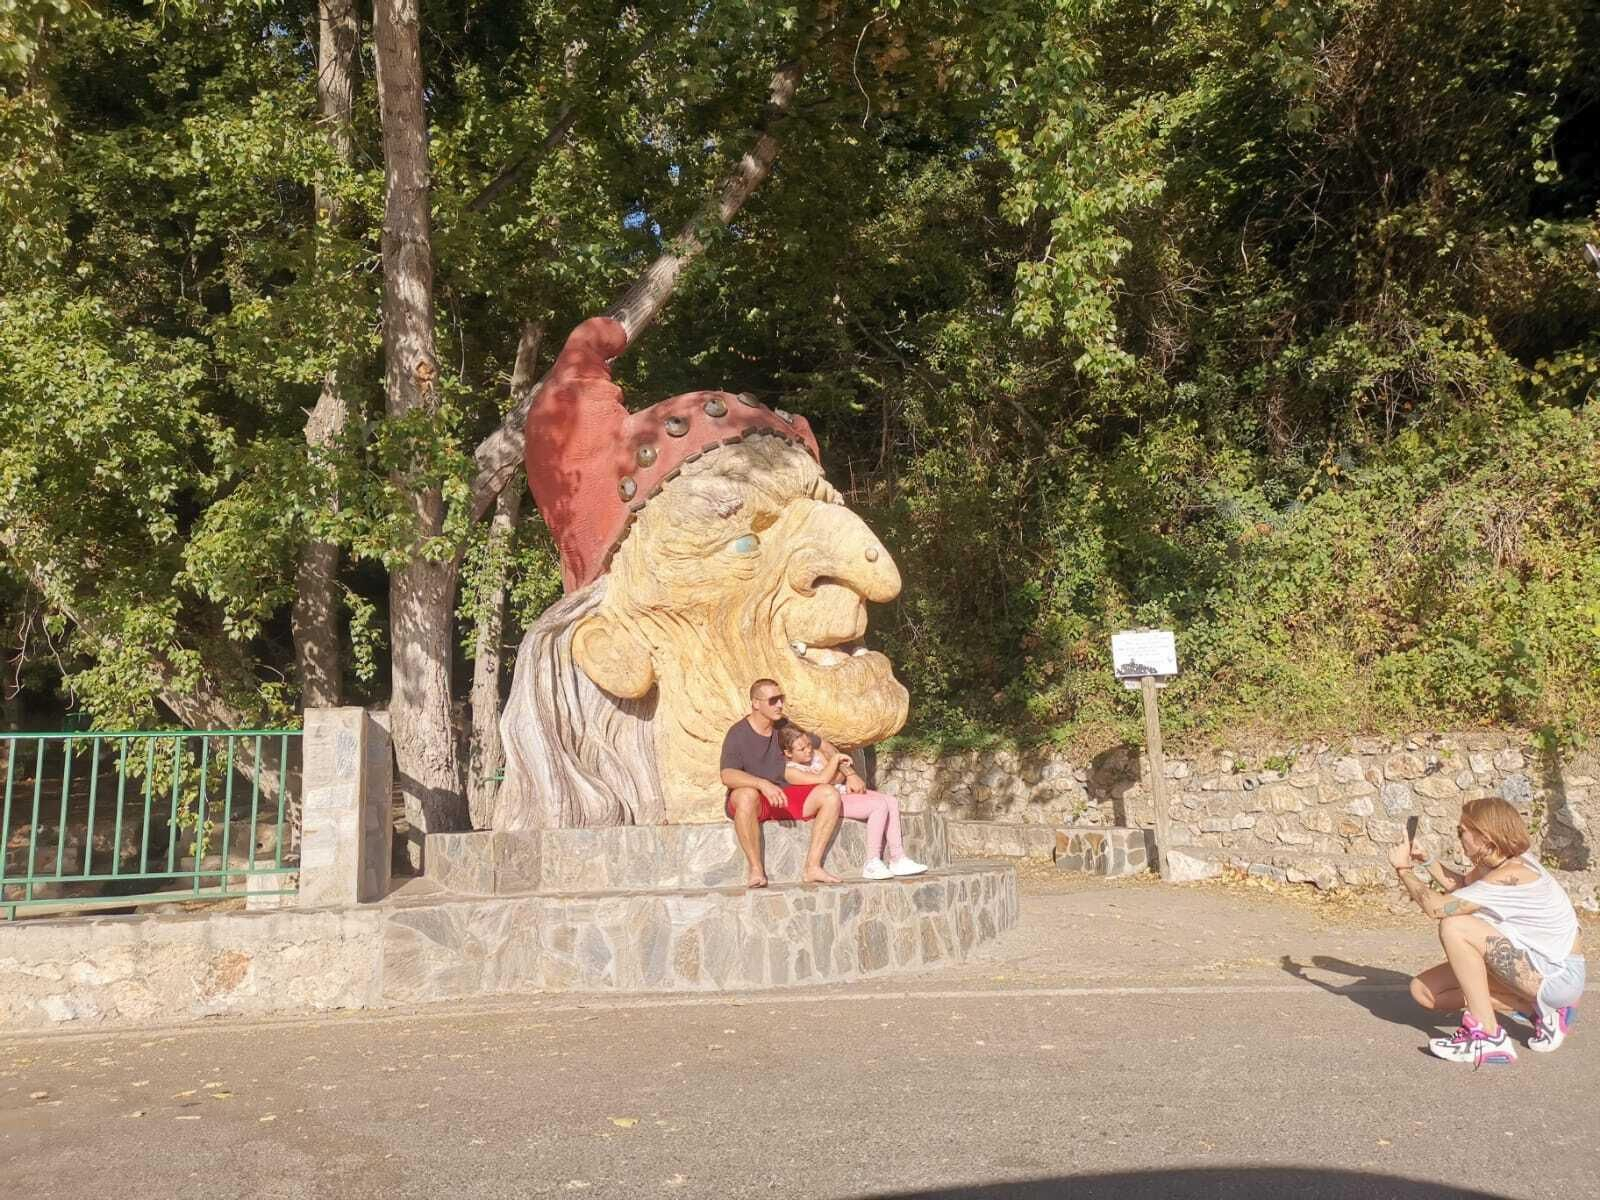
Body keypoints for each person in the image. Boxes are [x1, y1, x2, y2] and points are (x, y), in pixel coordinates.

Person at [1393, 797, 1585, 1067]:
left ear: (1484, 837)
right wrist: (1427, 861)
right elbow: (1462, 886)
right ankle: (1535, 1009)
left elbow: (1437, 909)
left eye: (1463, 831)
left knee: (1455, 925)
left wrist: (1403, 869)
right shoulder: (1498, 863)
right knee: (1425, 991)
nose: (1459, 837)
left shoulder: (1512, 875)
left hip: (1557, 976)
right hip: (1537, 964)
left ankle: (1488, 1037)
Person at [719, 679, 844, 888]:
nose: (779, 705)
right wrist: (761, 784)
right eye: (773, 700)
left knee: (829, 794)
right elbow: (727, 774)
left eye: (781, 699)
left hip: (785, 796)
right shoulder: (737, 733)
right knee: (745, 795)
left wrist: (849, 773)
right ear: (756, 703)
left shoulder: (783, 727)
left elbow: (822, 744)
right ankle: (756, 869)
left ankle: (813, 867)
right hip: (757, 802)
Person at [779, 724, 926, 881]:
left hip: (841, 791)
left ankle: (898, 858)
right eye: (801, 749)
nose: (808, 750)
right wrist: (834, 762)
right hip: (829, 802)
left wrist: (836, 774)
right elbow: (821, 780)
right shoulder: (790, 770)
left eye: (809, 744)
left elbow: (837, 776)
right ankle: (872, 862)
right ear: (788, 753)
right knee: (878, 806)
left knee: (890, 801)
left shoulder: (816, 755)